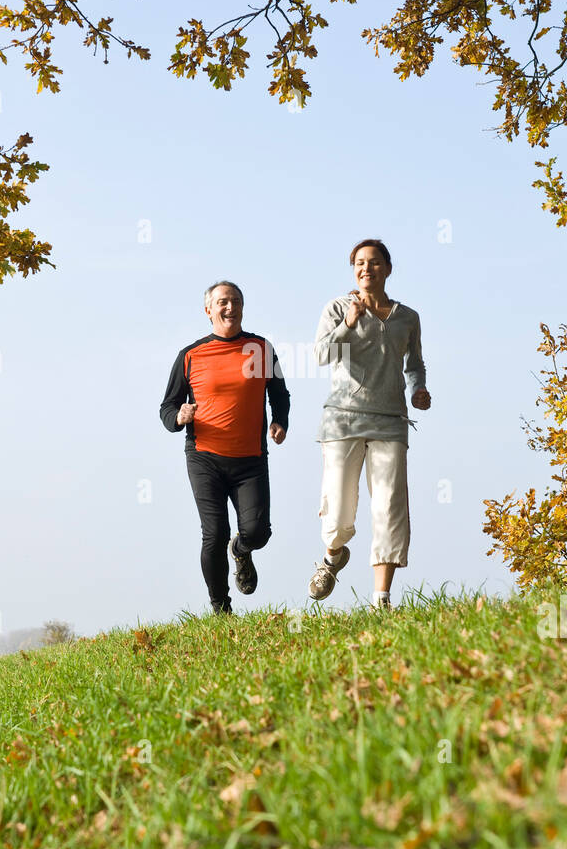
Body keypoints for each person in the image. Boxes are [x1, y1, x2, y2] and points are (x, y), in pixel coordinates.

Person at [308, 240, 430, 609]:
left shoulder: (407, 317)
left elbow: (414, 363)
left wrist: (419, 388)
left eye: (374, 262)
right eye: (359, 263)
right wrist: (348, 323)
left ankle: (382, 598)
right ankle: (332, 557)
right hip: (342, 420)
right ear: (353, 270)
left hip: (390, 421)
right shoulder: (336, 308)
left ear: (387, 269)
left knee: (390, 507)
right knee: (340, 511)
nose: (366, 269)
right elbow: (321, 354)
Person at [160, 281, 290, 614]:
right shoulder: (190, 355)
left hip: (250, 459)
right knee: (214, 533)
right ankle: (221, 608)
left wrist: (280, 421)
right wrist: (180, 416)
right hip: (205, 457)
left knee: (258, 533)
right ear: (208, 310)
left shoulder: (260, 349)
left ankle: (242, 549)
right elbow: (167, 407)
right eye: (222, 302)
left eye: (235, 301)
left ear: (243, 307)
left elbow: (279, 394)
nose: (229, 307)